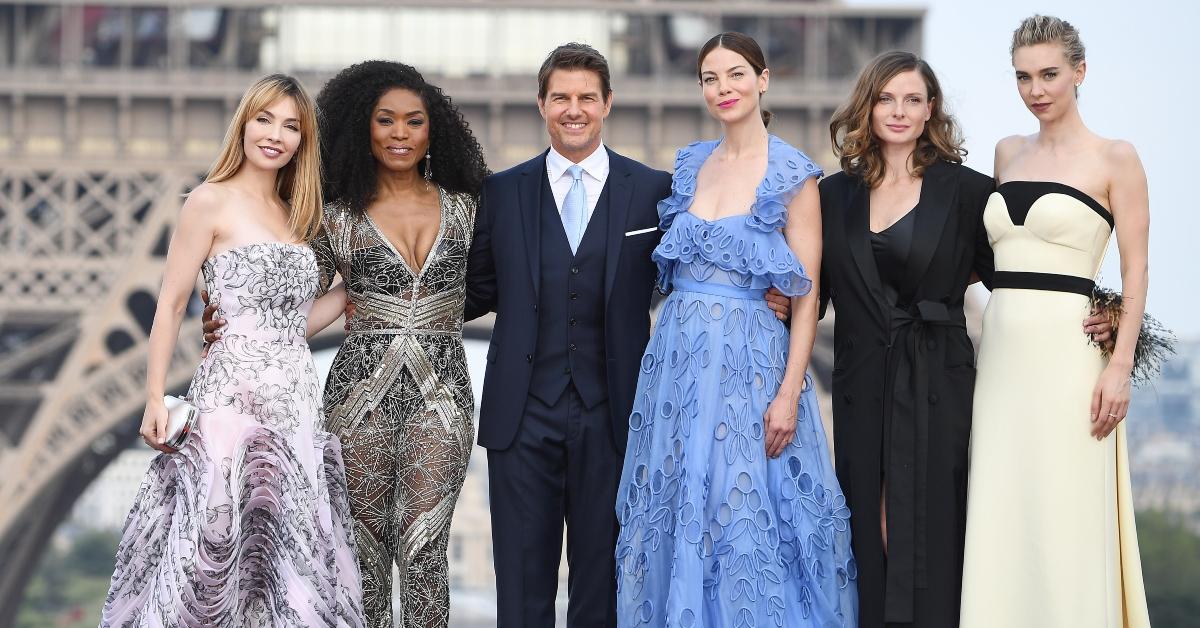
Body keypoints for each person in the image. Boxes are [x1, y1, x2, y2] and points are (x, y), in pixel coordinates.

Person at [463, 43, 791, 627]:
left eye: (587, 97)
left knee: (606, 584)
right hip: (521, 416)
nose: (574, 109)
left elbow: (698, 258)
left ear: (608, 103)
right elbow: (473, 289)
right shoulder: (501, 192)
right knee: (519, 588)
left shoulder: (654, 190)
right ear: (541, 104)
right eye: (560, 97)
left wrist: (773, 290)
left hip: (619, 415)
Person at [205, 60, 489, 628]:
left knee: (425, 548)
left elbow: (518, 285)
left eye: (414, 121)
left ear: (434, 131)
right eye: (386, 120)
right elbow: (281, 298)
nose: (400, 133)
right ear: (365, 128)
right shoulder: (334, 218)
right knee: (363, 553)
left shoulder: (469, 209)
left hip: (444, 397)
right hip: (358, 397)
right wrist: (230, 322)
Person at [101, 74, 365, 627]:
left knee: (281, 568)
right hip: (230, 402)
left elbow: (292, 327)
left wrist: (346, 295)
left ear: (303, 140)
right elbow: (172, 304)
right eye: (265, 119)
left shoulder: (300, 215)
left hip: (294, 406)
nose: (276, 135)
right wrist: (154, 397)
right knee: (212, 555)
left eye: (291, 126)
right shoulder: (208, 201)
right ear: (243, 123)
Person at [614, 32, 857, 627]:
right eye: (710, 78)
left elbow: (806, 296)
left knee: (745, 513)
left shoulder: (795, 175)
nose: (723, 88)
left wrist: (788, 396)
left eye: (736, 74)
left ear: (763, 79)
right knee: (679, 505)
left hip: (752, 365)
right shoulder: (691, 163)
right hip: (676, 365)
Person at [960, 15, 1151, 627]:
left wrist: (1120, 361)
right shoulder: (1006, 152)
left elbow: (1138, 269)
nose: (1035, 89)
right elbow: (983, 260)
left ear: (1080, 72)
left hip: (1071, 357)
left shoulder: (1116, 158)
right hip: (1002, 351)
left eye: (1049, 74)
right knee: (1000, 506)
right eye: (1023, 77)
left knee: (1066, 510)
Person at [819, 51, 994, 628]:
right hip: (861, 379)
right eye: (886, 98)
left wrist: (1104, 313)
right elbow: (813, 292)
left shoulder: (970, 192)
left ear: (930, 110)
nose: (898, 111)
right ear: (867, 107)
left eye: (912, 99)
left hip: (938, 377)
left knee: (932, 526)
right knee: (869, 526)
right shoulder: (831, 195)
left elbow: (1013, 280)